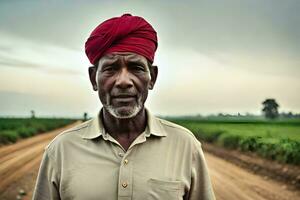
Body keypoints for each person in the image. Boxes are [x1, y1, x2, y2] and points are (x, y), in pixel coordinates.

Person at [32, 14, 215, 200]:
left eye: (136, 68)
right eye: (111, 69)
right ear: (93, 79)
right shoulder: (61, 150)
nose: (123, 81)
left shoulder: (184, 145)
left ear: (152, 77)